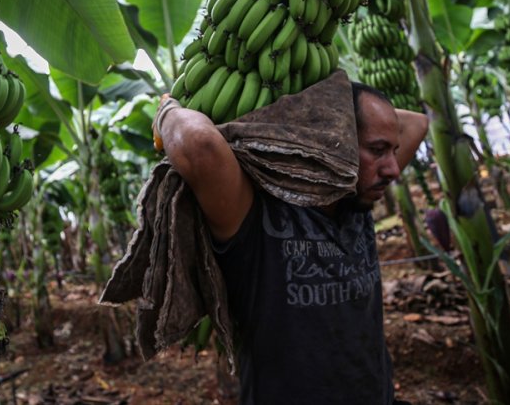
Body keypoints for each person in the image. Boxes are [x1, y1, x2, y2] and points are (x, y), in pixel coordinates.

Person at [152, 81, 429, 405]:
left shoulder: (357, 197)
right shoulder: (254, 215)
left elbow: (417, 124)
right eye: (378, 150)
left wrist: (326, 98)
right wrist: (166, 111)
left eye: (393, 151)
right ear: (336, 140)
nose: (393, 169)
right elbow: (200, 144)